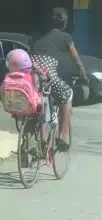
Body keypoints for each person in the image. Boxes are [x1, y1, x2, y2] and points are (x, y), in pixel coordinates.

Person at [30, 7, 88, 150]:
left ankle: (31, 140)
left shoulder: (38, 37)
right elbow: (76, 60)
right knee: (67, 95)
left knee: (38, 101)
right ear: (64, 23)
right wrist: (84, 76)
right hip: (48, 72)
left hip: (32, 73)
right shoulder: (66, 38)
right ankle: (62, 136)